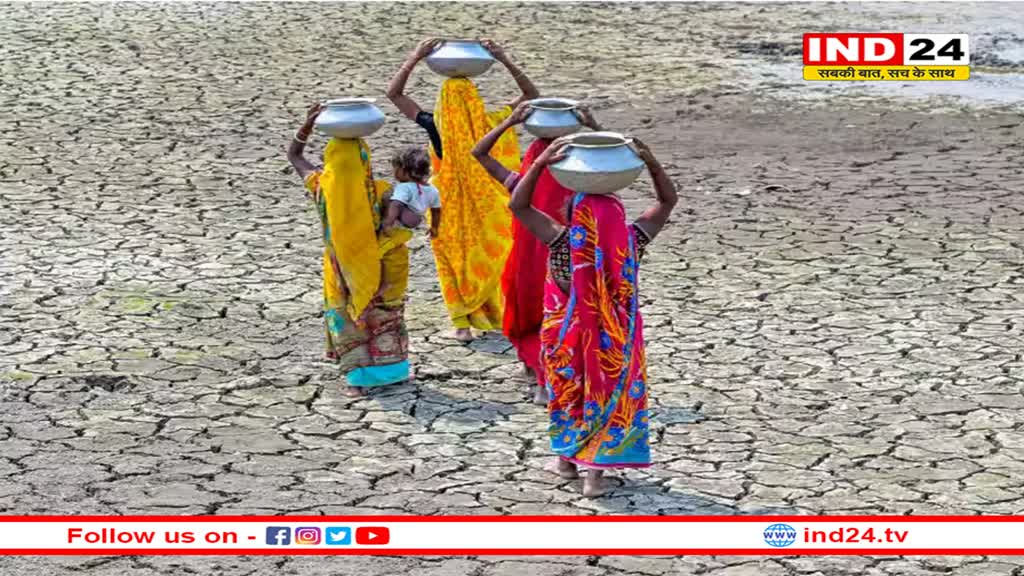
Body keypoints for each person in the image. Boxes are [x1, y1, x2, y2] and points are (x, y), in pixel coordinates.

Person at [508, 136, 678, 497]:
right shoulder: (630, 244)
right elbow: (667, 201)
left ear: (572, 218)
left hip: (566, 341)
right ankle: (594, 478)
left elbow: (518, 205)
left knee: (571, 394)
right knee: (606, 394)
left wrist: (538, 165)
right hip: (613, 342)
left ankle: (566, 463)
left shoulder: (560, 243)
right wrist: (649, 161)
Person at [387, 38, 539, 342]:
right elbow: (531, 96)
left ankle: (461, 323)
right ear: (476, 101)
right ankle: (496, 314)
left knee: (453, 260)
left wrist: (415, 57)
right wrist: (504, 59)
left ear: (442, 103)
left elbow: (394, 94)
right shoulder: (493, 124)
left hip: (446, 204)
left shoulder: (434, 125)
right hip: (487, 204)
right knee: (489, 254)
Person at [472, 101, 604, 405]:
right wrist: (594, 127)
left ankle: (539, 378)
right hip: (571, 263)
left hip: (528, 263)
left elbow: (479, 153)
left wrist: (509, 123)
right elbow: (614, 163)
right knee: (567, 318)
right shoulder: (582, 192)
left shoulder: (521, 188)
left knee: (533, 318)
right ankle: (552, 380)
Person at [287, 103, 411, 398]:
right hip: (381, 267)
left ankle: (357, 379)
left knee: (348, 319)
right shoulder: (381, 190)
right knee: (384, 317)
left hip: (339, 267)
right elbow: (408, 223)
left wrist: (306, 126)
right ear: (365, 162)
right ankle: (392, 371)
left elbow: (294, 155)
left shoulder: (322, 187)